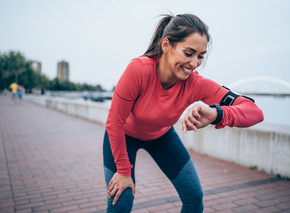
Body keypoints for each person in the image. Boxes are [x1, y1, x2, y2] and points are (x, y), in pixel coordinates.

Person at [103, 13, 264, 213]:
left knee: (194, 198)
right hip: (122, 137)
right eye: (189, 53)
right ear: (166, 45)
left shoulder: (195, 84)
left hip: (161, 137)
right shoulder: (139, 69)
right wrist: (124, 171)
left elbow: (254, 112)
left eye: (201, 56)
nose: (195, 63)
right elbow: (114, 122)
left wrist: (216, 114)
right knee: (122, 201)